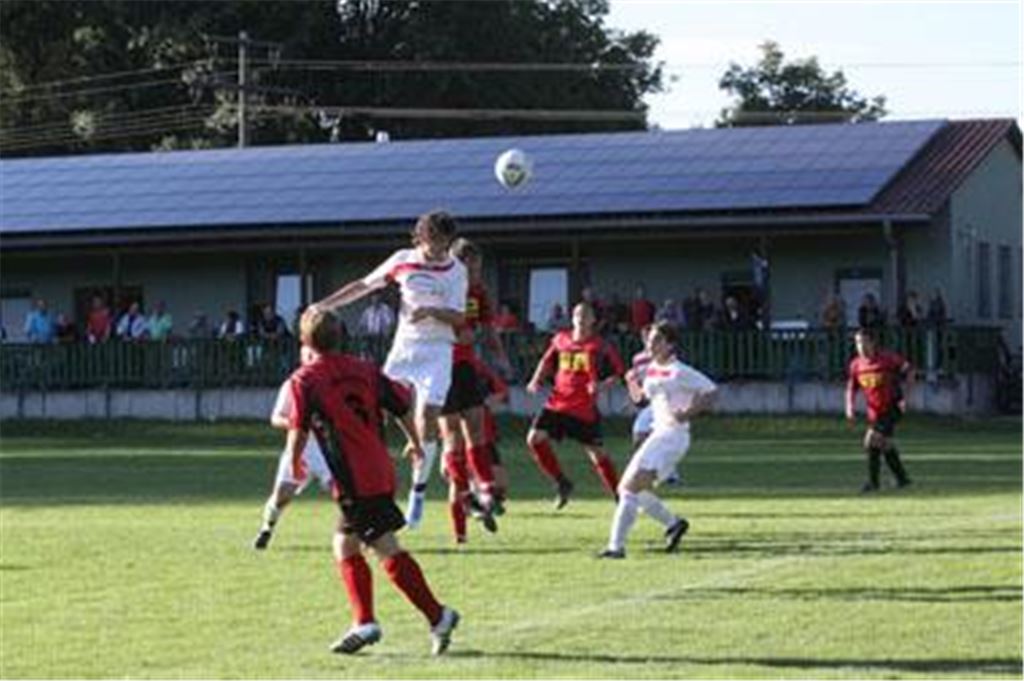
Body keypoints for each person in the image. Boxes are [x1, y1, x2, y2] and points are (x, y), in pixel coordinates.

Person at [284, 307, 459, 655]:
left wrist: (293, 463)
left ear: (304, 340)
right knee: (346, 544)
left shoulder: (305, 380)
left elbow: (297, 429)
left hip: (355, 479)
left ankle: (435, 615)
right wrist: (413, 439)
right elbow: (401, 404)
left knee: (383, 547)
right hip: (378, 468)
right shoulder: (365, 370)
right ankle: (367, 619)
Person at [311, 210, 466, 529]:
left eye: (445, 245)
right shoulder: (403, 260)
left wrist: (433, 311)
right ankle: (374, 478)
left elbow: (460, 318)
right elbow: (364, 285)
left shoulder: (456, 270)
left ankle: (418, 494)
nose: (440, 252)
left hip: (437, 350)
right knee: (373, 409)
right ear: (421, 237)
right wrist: (324, 305)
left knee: (428, 417)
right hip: (405, 348)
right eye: (435, 243)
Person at [600, 321, 716, 559]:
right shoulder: (653, 368)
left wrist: (687, 413)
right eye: (649, 340)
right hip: (658, 434)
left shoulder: (679, 370)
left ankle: (616, 548)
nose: (650, 345)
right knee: (627, 488)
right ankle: (673, 524)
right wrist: (632, 382)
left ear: (670, 344)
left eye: (656, 340)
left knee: (630, 488)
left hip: (672, 437)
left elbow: (711, 391)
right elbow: (641, 400)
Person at [437, 238, 512, 544]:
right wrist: (455, 334)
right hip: (441, 367)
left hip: (466, 367)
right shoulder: (442, 287)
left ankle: (484, 488)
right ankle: (466, 501)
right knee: (452, 436)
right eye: (471, 266)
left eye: (479, 266)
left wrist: (502, 357)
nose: (476, 272)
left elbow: (489, 329)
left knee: (477, 428)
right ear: (457, 265)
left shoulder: (479, 292)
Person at [525, 302, 624, 508]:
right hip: (557, 402)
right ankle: (562, 482)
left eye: (586, 315)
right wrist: (536, 380)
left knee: (597, 454)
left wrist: (601, 386)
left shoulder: (600, 345)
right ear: (572, 318)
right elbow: (546, 360)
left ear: (593, 320)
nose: (581, 318)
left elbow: (618, 373)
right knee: (534, 439)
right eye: (577, 314)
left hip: (583, 409)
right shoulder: (561, 339)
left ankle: (620, 496)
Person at [253, 345, 336, 550]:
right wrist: (297, 422)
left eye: (315, 353)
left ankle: (362, 535)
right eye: (307, 353)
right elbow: (276, 417)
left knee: (343, 494)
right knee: (282, 495)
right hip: (300, 447)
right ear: (301, 357)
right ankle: (266, 528)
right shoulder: (293, 383)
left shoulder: (333, 382)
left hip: (328, 449)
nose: (311, 357)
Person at [845, 328, 914, 493]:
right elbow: (851, 387)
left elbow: (909, 370)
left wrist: (907, 397)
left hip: (892, 406)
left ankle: (873, 483)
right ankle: (902, 479)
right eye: (857, 343)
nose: (860, 346)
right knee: (883, 444)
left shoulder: (887, 359)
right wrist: (850, 407)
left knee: (871, 440)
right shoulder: (856, 365)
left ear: (872, 342)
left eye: (863, 342)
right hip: (874, 412)